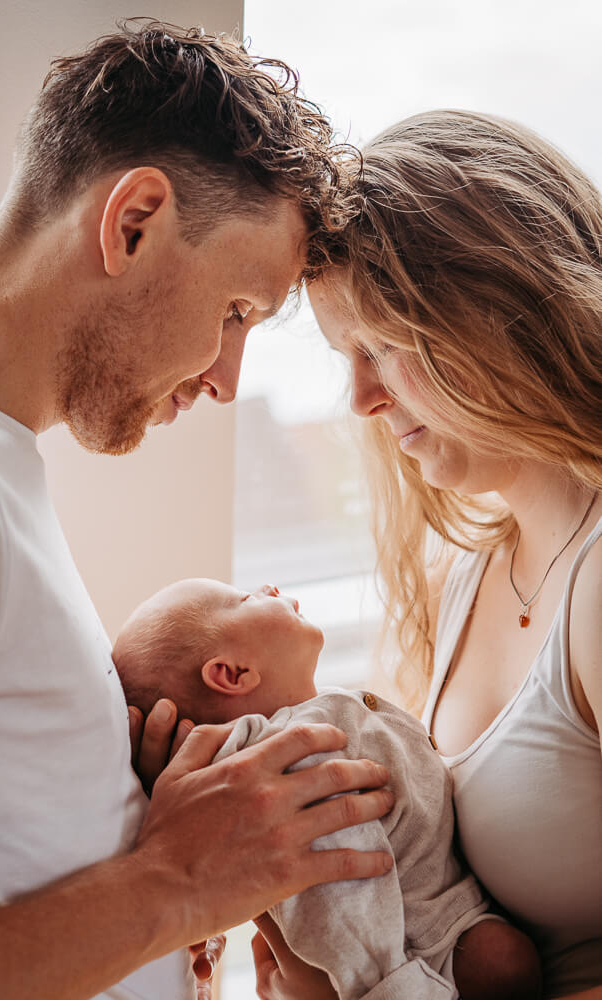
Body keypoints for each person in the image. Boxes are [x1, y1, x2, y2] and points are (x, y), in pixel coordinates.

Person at [0, 21, 397, 999]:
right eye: (236, 313)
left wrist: (142, 868)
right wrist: (175, 885)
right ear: (134, 219)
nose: (228, 380)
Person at [293, 110, 600, 1000]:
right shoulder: (455, 581)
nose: (358, 397)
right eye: (344, 356)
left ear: (495, 313)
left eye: (381, 347)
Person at [113, 576, 542, 1000]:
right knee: (504, 963)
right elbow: (341, 888)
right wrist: (392, 985)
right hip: (419, 951)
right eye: (245, 598)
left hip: (441, 920)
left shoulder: (314, 721)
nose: (269, 587)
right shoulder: (291, 762)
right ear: (233, 672)